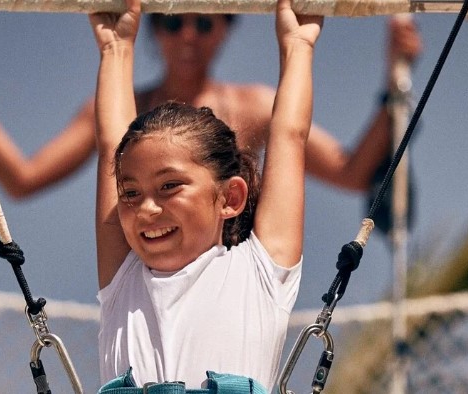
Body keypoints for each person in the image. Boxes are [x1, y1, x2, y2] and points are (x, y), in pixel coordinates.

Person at [0, 14, 421, 199]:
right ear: (152, 27)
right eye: (171, 21)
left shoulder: (254, 107)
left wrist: (393, 81)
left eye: (204, 23)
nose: (188, 35)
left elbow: (353, 172)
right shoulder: (121, 107)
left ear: (227, 27)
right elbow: (22, 179)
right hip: (145, 284)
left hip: (236, 281)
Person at [89, 0, 321, 390]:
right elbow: (111, 143)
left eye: (169, 186)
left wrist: (298, 46)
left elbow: (289, 136)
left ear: (230, 198)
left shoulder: (260, 275)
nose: (146, 208)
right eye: (130, 192)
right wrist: (116, 49)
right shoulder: (123, 278)